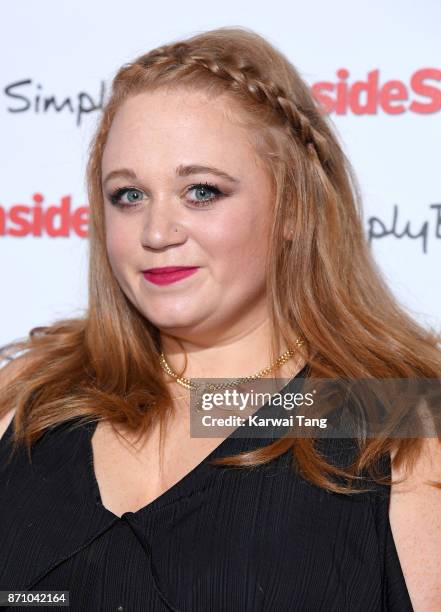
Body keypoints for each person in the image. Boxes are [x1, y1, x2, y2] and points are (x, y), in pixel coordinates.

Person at [0, 25, 440, 612]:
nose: (157, 233)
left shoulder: (395, 415)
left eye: (201, 191)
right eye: (129, 195)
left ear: (293, 207)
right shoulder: (27, 396)